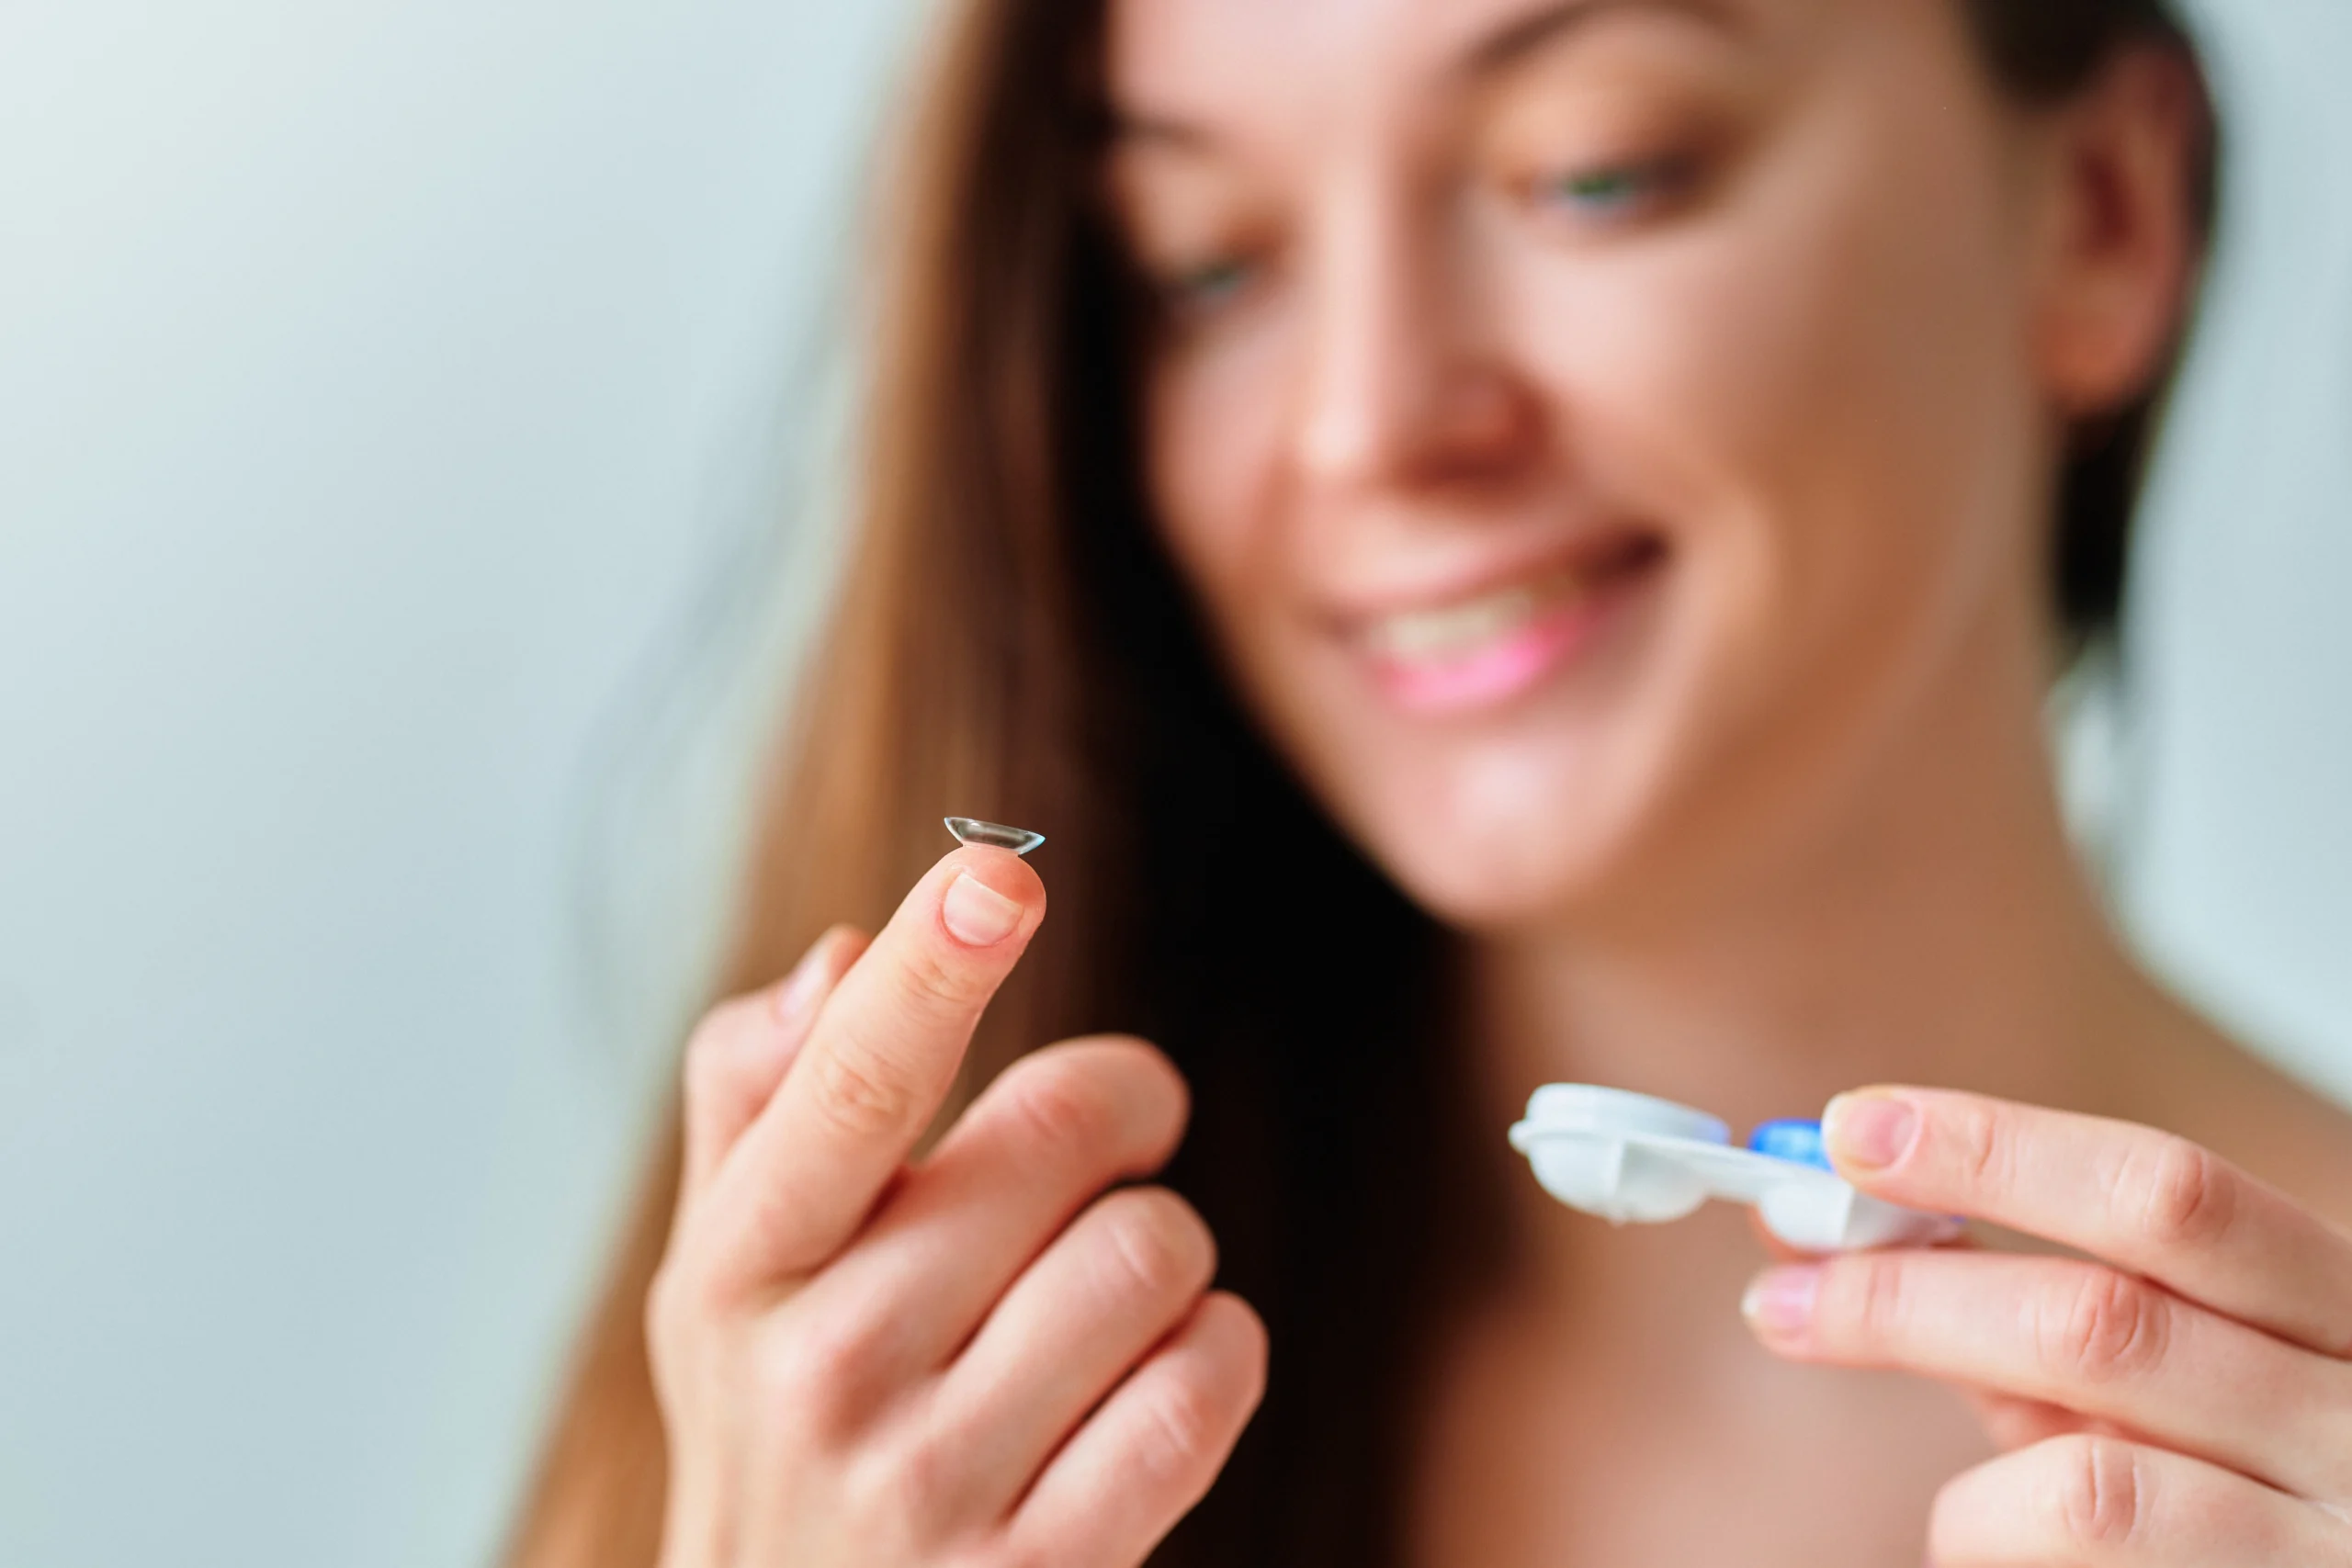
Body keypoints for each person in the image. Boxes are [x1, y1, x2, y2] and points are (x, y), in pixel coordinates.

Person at [507, 0, 2352, 1563]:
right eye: (1203, 263)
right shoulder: (877, 1416)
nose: (1366, 422)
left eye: (1593, 171)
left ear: (2103, 214)